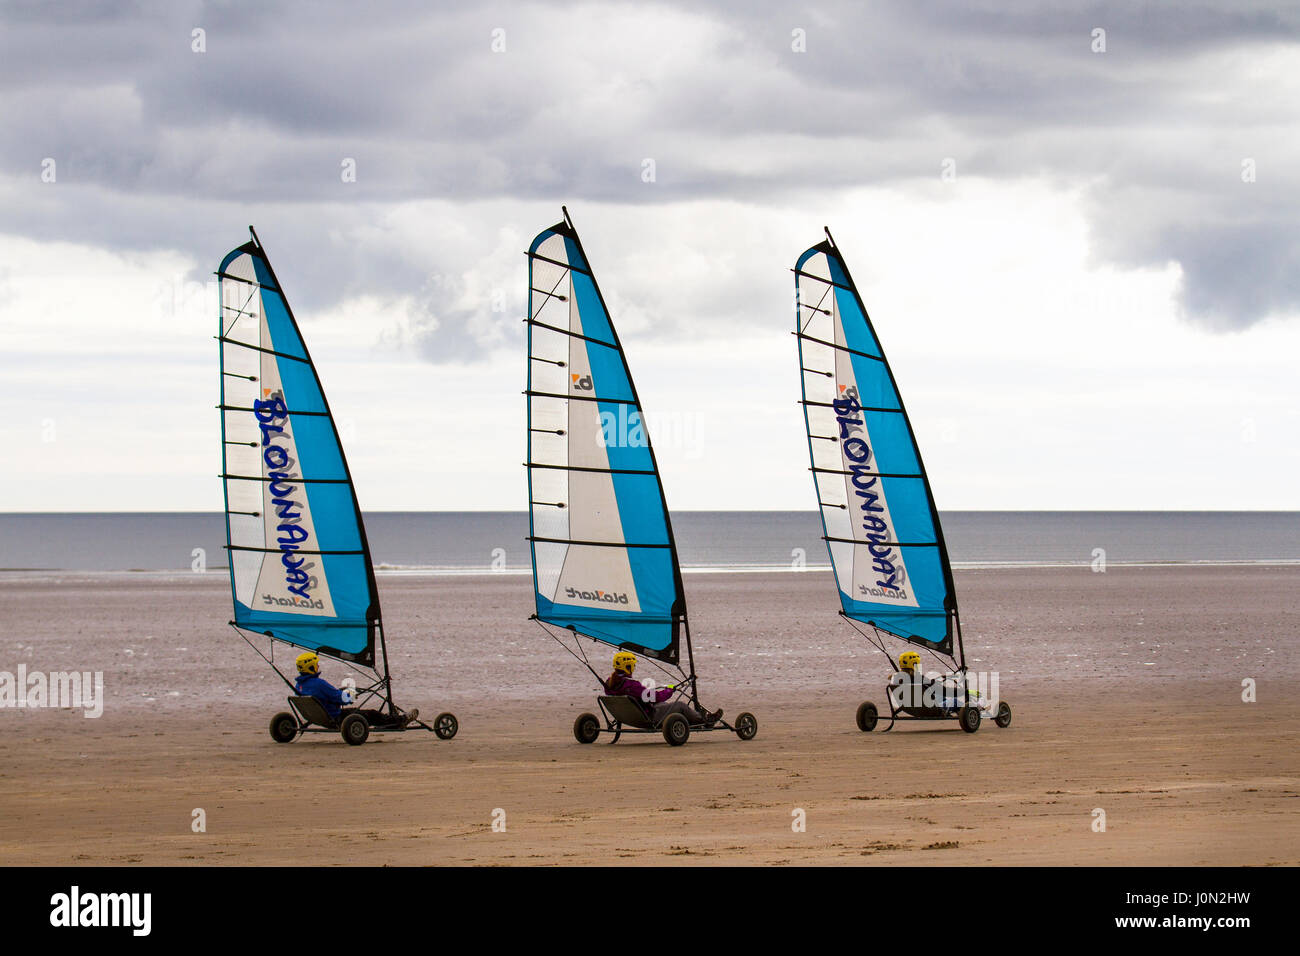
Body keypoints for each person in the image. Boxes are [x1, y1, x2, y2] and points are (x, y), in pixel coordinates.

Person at [293, 652, 417, 728]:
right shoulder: (319, 683)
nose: (318, 666)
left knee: (361, 712)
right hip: (336, 718)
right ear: (310, 666)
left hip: (319, 717)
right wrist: (351, 694)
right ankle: (400, 720)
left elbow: (330, 696)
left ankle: (391, 722)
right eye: (316, 664)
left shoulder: (299, 686)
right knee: (372, 714)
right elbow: (341, 698)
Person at [603, 651, 722, 727]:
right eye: (633, 666)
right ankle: (705, 721)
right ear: (628, 666)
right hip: (648, 718)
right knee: (680, 705)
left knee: (663, 704)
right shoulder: (632, 685)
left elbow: (648, 697)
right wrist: (670, 690)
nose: (634, 668)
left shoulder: (609, 683)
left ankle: (696, 718)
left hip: (628, 716)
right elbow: (656, 697)